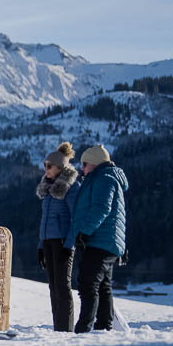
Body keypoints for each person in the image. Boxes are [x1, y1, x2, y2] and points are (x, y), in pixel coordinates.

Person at [64, 144, 128, 333]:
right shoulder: (100, 178)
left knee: (88, 283)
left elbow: (101, 208)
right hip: (104, 241)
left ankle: (85, 328)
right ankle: (103, 326)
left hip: (100, 240)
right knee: (102, 285)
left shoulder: (105, 179)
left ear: (94, 163)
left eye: (85, 164)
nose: (82, 168)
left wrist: (85, 231)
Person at [36, 142, 81, 331]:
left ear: (60, 168)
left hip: (62, 242)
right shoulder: (48, 188)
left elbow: (75, 219)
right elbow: (44, 219)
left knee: (63, 287)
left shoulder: (71, 187)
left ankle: (66, 329)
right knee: (53, 287)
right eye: (45, 165)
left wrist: (69, 245)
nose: (45, 169)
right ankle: (58, 328)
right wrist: (40, 246)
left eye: (49, 166)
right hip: (48, 241)